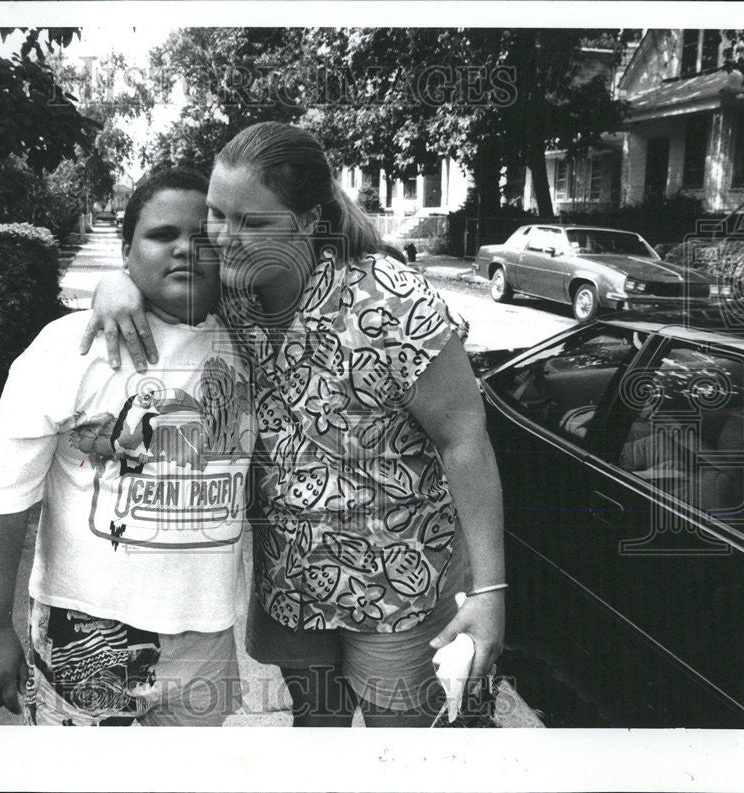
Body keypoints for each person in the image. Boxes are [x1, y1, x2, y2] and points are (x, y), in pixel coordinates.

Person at [80, 122, 505, 727]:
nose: (223, 240)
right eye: (217, 217)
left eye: (252, 223)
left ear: (307, 222)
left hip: (398, 584)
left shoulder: (393, 303)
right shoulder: (227, 295)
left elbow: (465, 441)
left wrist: (490, 593)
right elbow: (151, 275)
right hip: (293, 579)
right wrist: (114, 282)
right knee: (318, 737)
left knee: (405, 755)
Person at [0, 168, 255, 726]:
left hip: (206, 635)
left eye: (204, 237)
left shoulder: (250, 342)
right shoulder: (68, 348)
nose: (185, 249)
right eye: (161, 234)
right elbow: (2, 491)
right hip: (86, 631)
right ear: (126, 251)